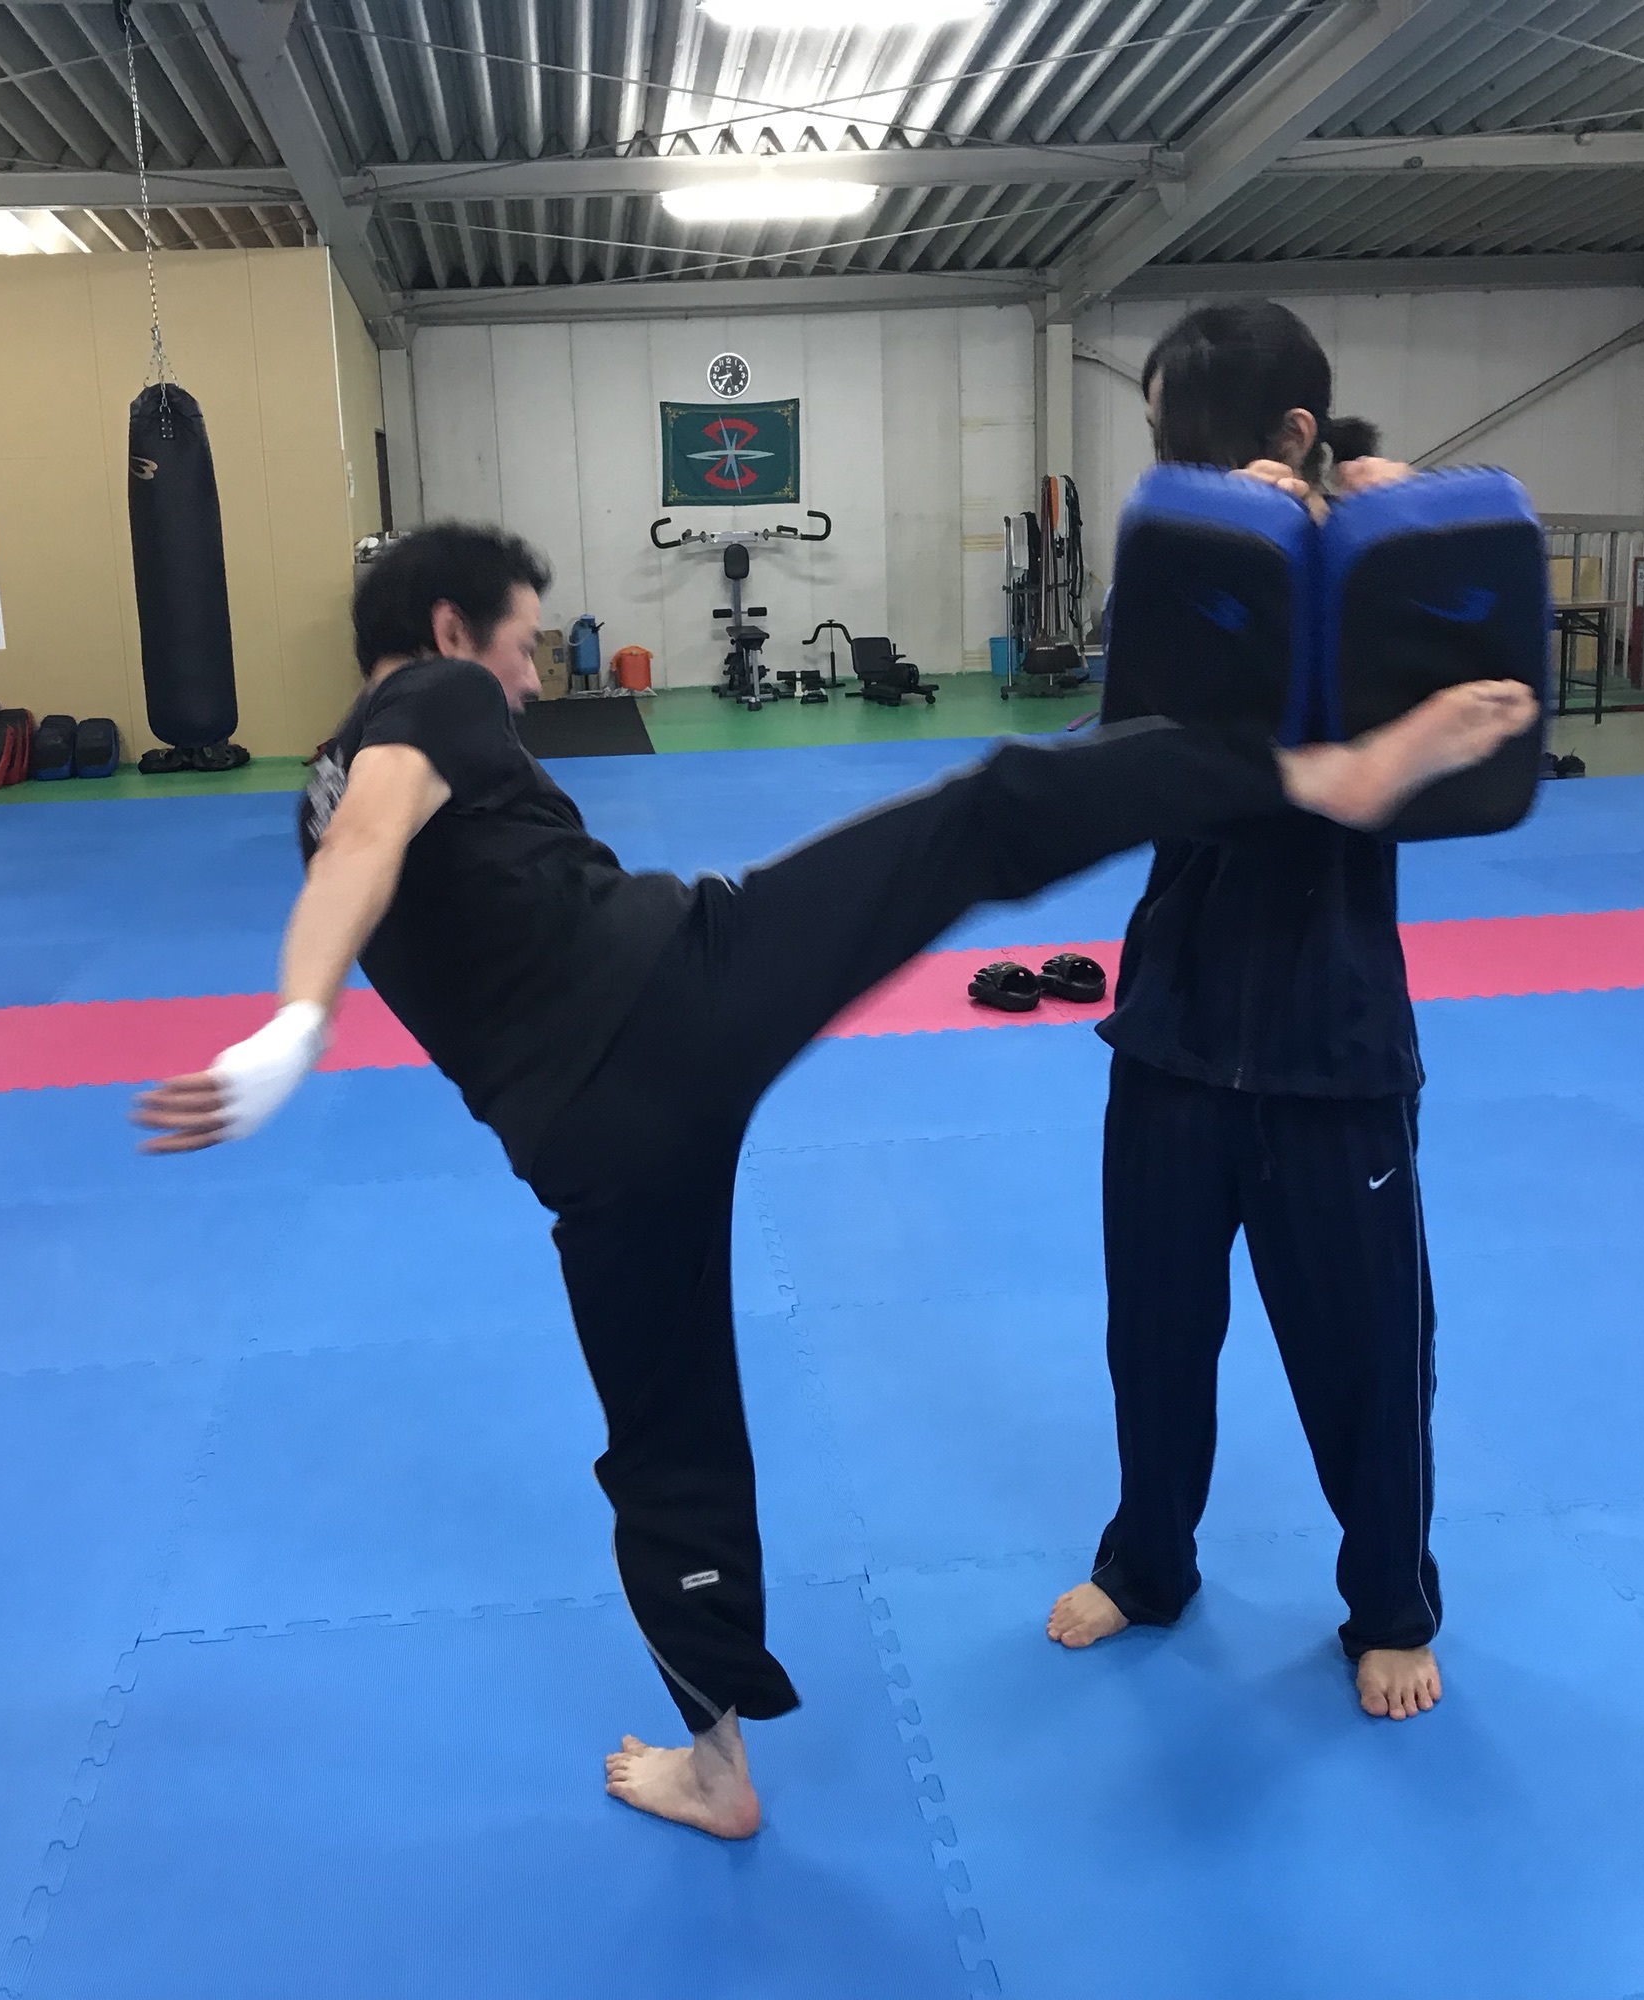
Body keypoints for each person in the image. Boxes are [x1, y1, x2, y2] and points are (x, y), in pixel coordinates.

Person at [135, 522, 1533, 1835]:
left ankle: (715, 1767)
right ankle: (1327, 780)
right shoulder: (429, 699)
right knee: (988, 811)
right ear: (448, 631)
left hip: (590, 1150)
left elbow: (354, 856)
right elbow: (378, 831)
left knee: (663, 1442)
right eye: (521, 646)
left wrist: (301, 1015)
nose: (531, 677)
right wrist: (290, 1030)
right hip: (684, 993)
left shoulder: (318, 791)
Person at [1046, 301, 1448, 1721]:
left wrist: (1376, 541)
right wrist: (1218, 558)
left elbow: (1466, 731)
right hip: (1171, 1024)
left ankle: (1390, 1603)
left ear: (1292, 433)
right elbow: (1123, 742)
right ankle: (1149, 1563)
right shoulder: (1180, 568)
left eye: (1188, 440)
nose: (1170, 468)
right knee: (1153, 1332)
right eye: (1159, 443)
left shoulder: (1382, 567)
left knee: (1367, 1353)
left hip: (1331, 1040)